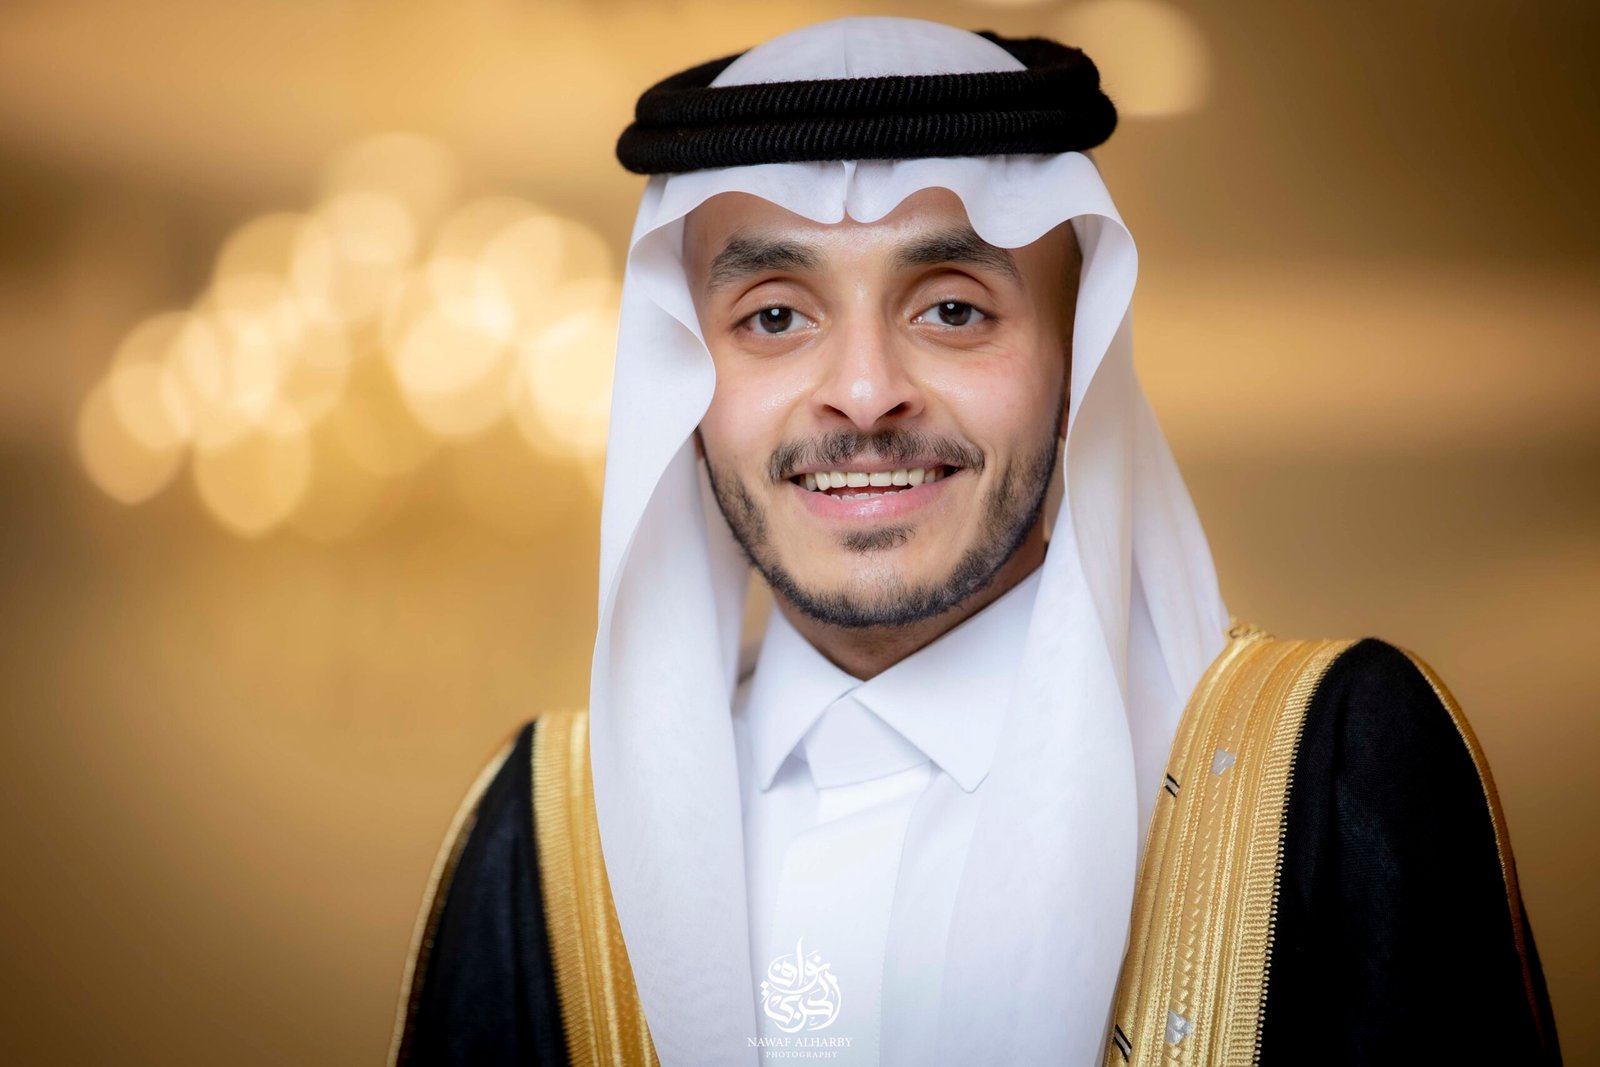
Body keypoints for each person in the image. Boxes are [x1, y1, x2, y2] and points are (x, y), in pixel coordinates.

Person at [389, 18, 1560, 1067]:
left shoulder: (1329, 765)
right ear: (685, 384)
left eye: (952, 308)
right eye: (774, 316)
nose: (862, 392)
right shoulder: (544, 836)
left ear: (1075, 365)